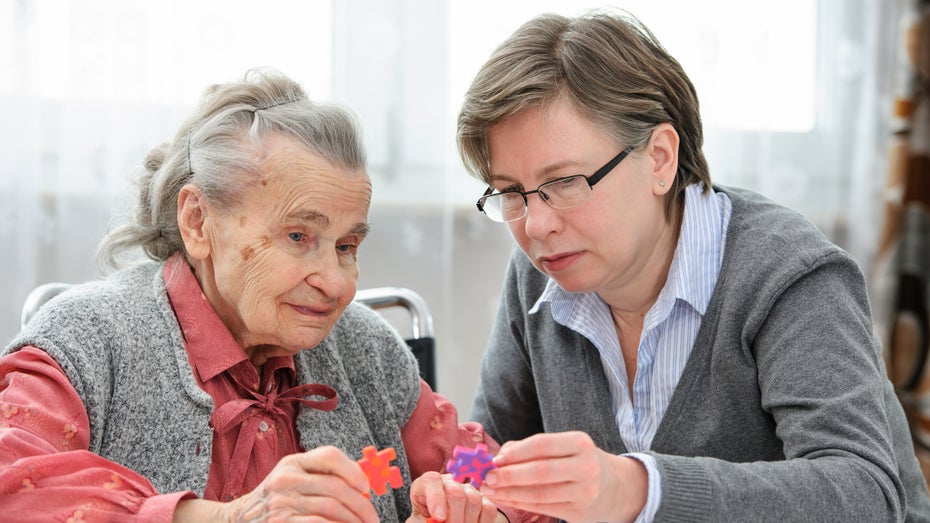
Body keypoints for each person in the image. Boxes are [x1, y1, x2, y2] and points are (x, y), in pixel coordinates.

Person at [446, 9, 930, 523]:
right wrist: (463, 490)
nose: (536, 225)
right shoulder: (539, 275)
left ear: (659, 158)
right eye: (510, 192)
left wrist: (636, 488)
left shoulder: (790, 274)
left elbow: (865, 493)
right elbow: (492, 449)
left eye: (565, 181)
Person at [0, 68, 537, 523]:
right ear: (198, 222)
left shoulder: (367, 355)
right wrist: (225, 517)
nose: (335, 282)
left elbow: (480, 467)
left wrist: (475, 503)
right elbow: (11, 477)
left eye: (347, 245)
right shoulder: (89, 342)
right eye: (299, 237)